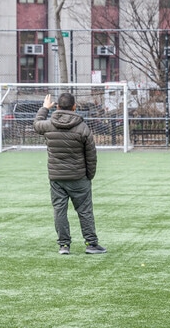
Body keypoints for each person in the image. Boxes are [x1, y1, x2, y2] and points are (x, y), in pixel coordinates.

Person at [34, 93, 106, 255]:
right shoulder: (82, 127)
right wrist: (89, 175)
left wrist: (44, 108)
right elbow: (91, 156)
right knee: (85, 211)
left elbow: (36, 124)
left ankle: (64, 245)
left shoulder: (49, 125)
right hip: (79, 177)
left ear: (57, 107)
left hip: (57, 177)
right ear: (74, 107)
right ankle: (91, 244)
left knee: (59, 210)